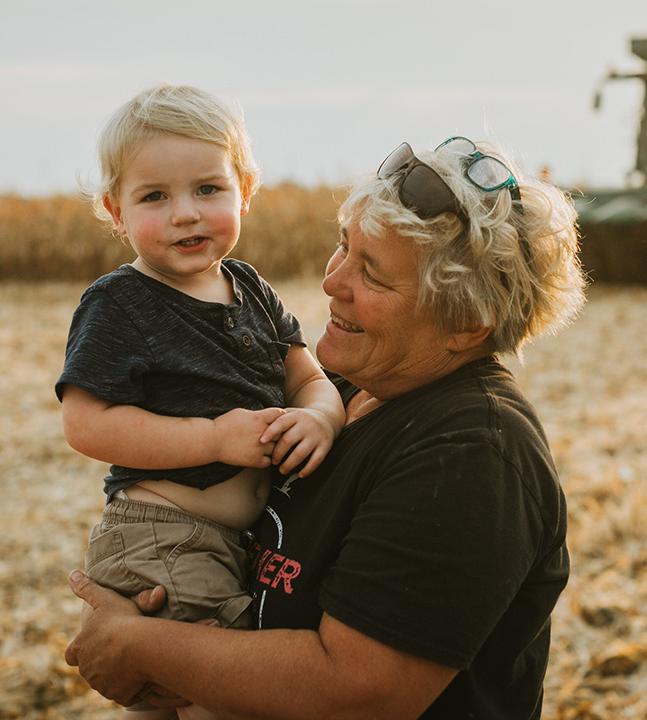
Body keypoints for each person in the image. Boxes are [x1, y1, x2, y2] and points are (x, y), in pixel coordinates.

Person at [65, 134, 587, 719]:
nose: (331, 281)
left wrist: (139, 645)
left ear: (467, 322)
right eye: (344, 247)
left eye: (372, 273)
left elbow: (357, 691)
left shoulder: (472, 454)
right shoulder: (339, 396)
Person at [56, 83, 345, 720]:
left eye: (207, 189)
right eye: (154, 196)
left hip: (230, 541)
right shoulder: (118, 303)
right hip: (163, 534)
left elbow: (307, 377)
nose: (185, 212)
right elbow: (86, 423)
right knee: (218, 692)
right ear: (115, 210)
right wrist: (212, 440)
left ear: (244, 188)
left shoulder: (250, 288)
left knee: (177, 695)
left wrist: (322, 416)